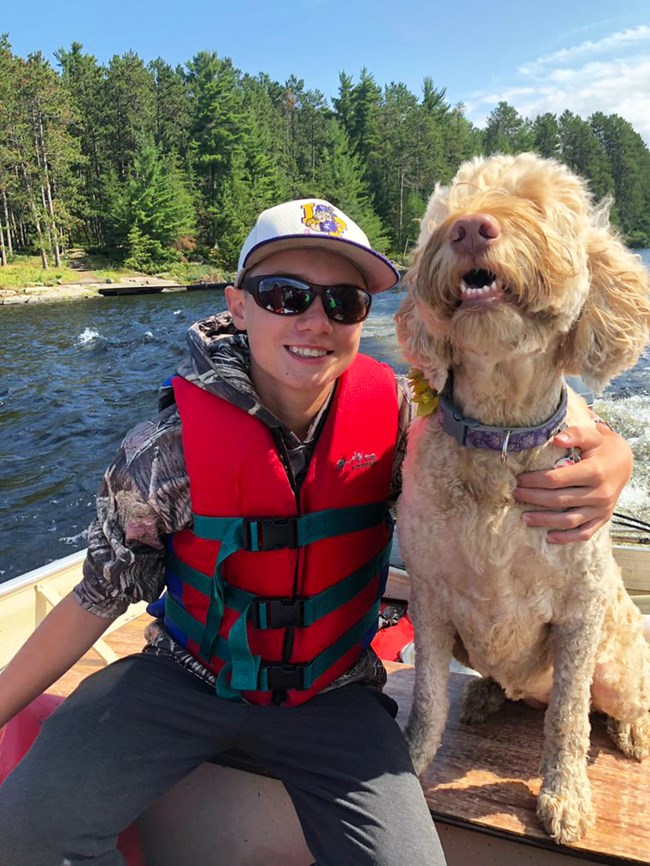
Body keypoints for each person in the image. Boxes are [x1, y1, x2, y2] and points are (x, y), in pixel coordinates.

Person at [0, 199, 633, 866]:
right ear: (238, 307)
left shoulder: (395, 418)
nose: (314, 321)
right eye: (283, 295)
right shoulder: (166, 448)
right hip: (185, 680)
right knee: (26, 829)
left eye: (344, 302)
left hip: (332, 695)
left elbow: (503, 420)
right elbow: (97, 596)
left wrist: (608, 454)